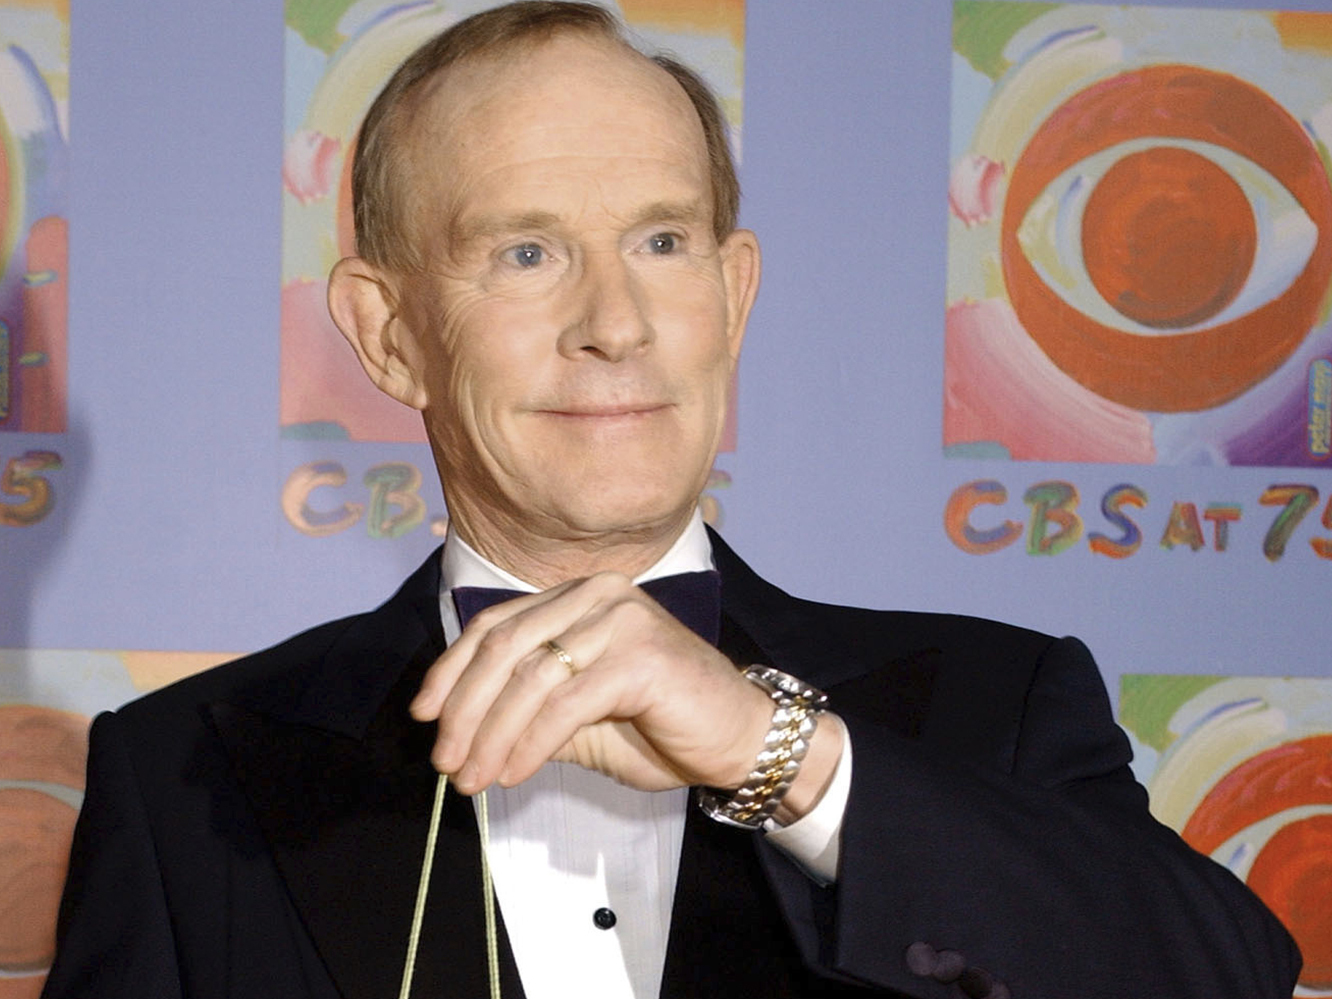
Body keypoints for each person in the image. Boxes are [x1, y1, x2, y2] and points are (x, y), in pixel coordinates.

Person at [44, 3, 1300, 998]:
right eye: (526, 253)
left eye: (661, 242)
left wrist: (782, 758)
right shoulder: (184, 779)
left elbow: (1225, 978)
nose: (615, 326)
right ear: (389, 337)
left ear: (734, 294)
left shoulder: (992, 708)